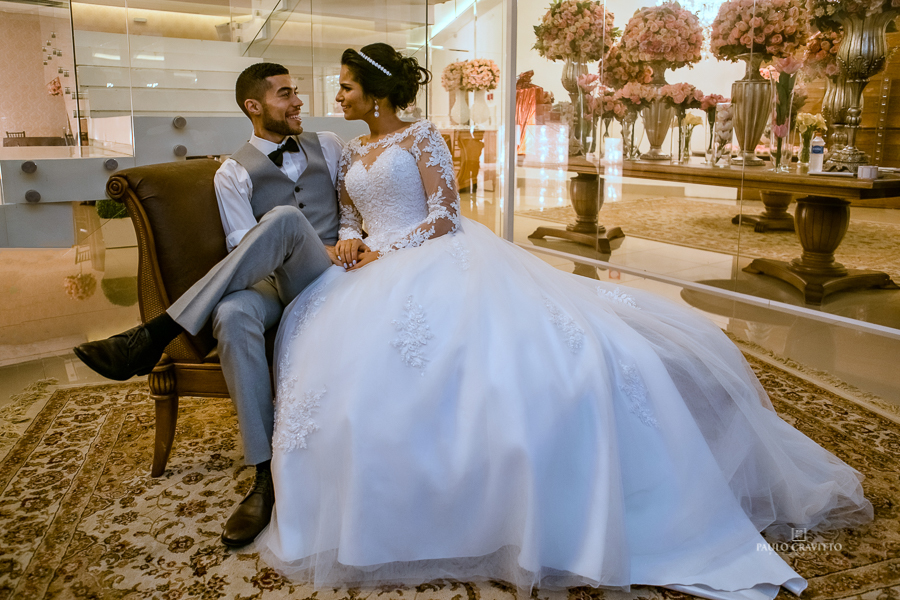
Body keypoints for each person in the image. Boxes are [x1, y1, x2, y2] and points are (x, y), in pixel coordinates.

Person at [253, 43, 873, 599]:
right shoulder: (352, 148)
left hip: (434, 256)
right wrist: (352, 243)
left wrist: (388, 249)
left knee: (520, 355)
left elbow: (443, 213)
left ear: (380, 92)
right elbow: (353, 213)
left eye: (347, 86)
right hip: (369, 267)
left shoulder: (423, 138)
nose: (338, 96)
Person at [73, 62, 345, 548]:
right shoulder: (233, 172)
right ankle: (265, 476)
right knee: (232, 313)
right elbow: (246, 249)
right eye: (285, 94)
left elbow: (355, 209)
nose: (298, 101)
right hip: (271, 283)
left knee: (282, 217)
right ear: (254, 107)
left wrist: (343, 241)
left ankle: (153, 334)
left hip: (329, 277)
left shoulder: (329, 145)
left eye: (296, 91)